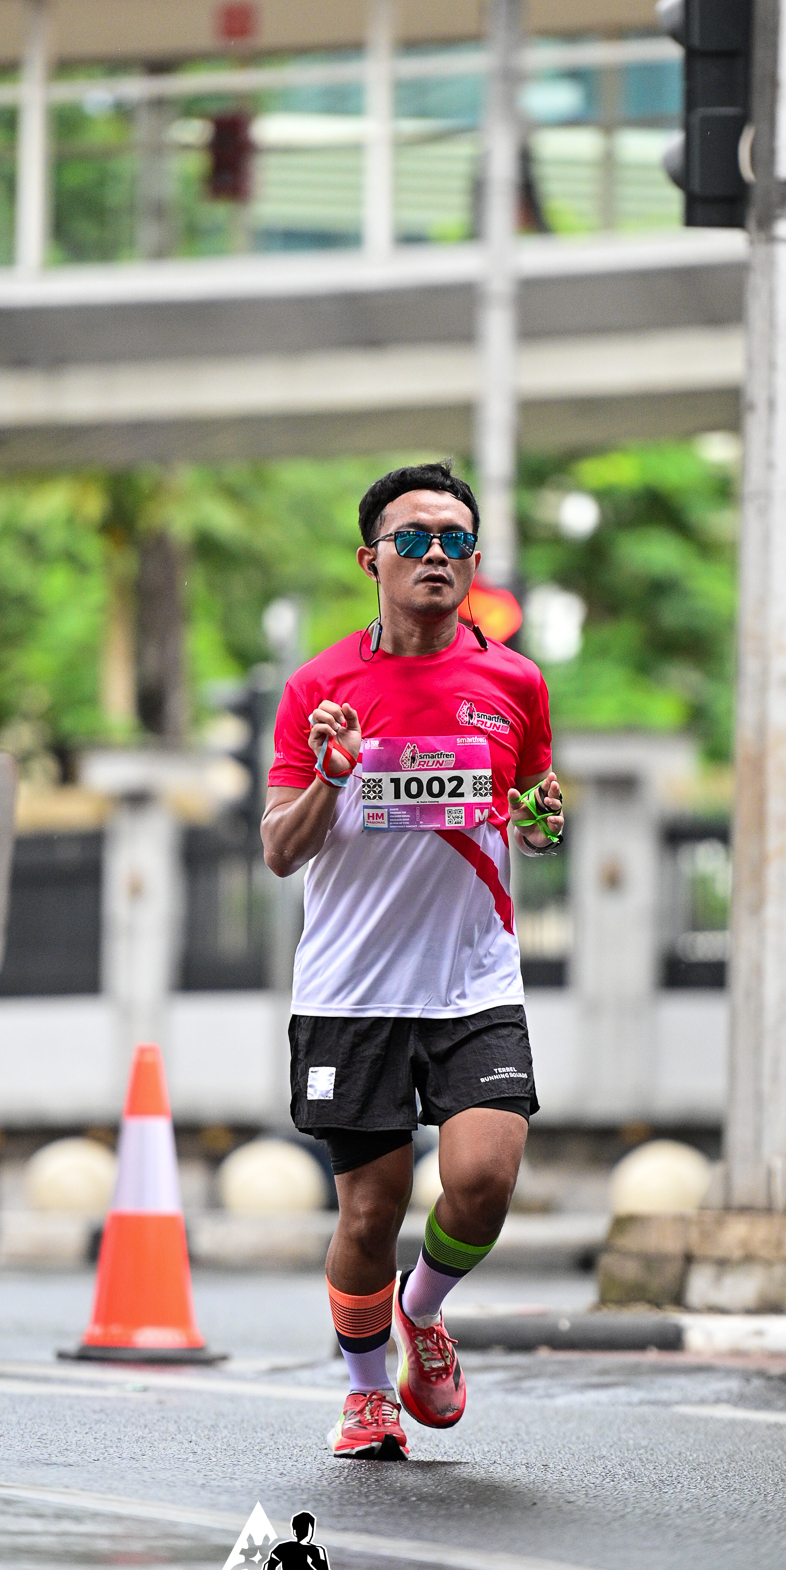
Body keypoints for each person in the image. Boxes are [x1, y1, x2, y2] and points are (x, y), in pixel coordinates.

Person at [262, 462, 564, 1460]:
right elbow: (280, 849)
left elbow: (529, 806)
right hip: (352, 991)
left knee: (482, 1179)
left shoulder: (516, 683)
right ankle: (364, 1395)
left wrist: (541, 822)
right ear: (372, 560)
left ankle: (421, 1311)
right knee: (369, 1211)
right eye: (413, 538)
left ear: (472, 560)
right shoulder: (319, 687)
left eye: (454, 539)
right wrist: (332, 776)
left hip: (474, 981)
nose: (436, 554)